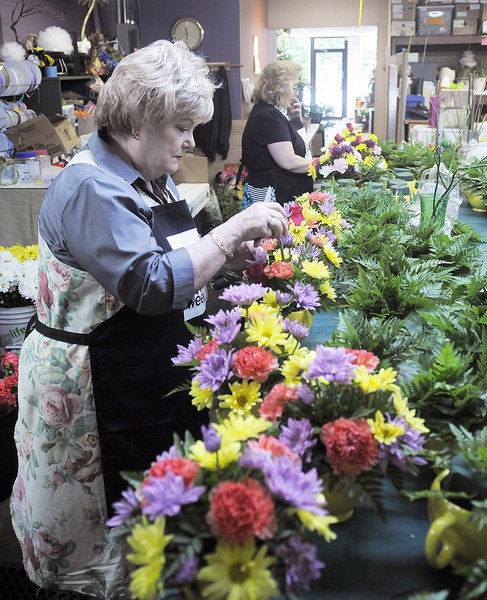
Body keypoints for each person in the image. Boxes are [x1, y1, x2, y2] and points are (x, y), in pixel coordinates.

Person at [10, 40, 288, 599]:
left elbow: (171, 257)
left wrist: (225, 259)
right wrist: (228, 232)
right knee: (101, 544)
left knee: (148, 531)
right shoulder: (91, 186)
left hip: (135, 373)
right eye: (182, 127)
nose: (190, 142)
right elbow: (151, 283)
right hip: (91, 391)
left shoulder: (148, 176)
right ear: (139, 118)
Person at [241, 59, 314, 207]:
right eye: (294, 87)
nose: (296, 92)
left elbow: (301, 148)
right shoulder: (269, 116)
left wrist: (297, 119)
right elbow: (289, 162)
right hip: (272, 196)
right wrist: (322, 165)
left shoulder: (273, 112)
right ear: (281, 88)